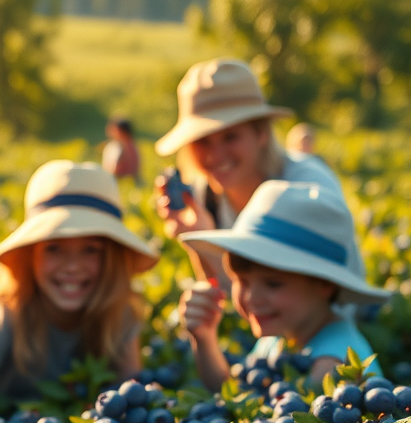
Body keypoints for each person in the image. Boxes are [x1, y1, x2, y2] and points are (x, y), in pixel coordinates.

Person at [0, 161, 159, 409]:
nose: (71, 266)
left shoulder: (119, 316)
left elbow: (134, 407)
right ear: (30, 255)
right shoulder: (1, 319)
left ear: (111, 260)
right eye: (54, 249)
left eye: (90, 250)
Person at [179, 181, 388, 391]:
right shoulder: (280, 336)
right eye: (242, 280)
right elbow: (237, 397)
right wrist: (204, 338)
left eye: (273, 284)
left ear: (325, 284)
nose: (252, 297)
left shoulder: (332, 366)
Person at [154, 59, 345, 286]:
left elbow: (307, 302)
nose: (215, 155)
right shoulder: (202, 197)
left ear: (261, 132)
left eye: (230, 137)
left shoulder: (308, 189)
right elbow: (230, 305)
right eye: (202, 141)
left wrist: (210, 245)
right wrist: (197, 241)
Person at [101, 117, 141, 183]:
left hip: (120, 179)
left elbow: (116, 166)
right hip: (125, 179)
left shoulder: (122, 146)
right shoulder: (131, 144)